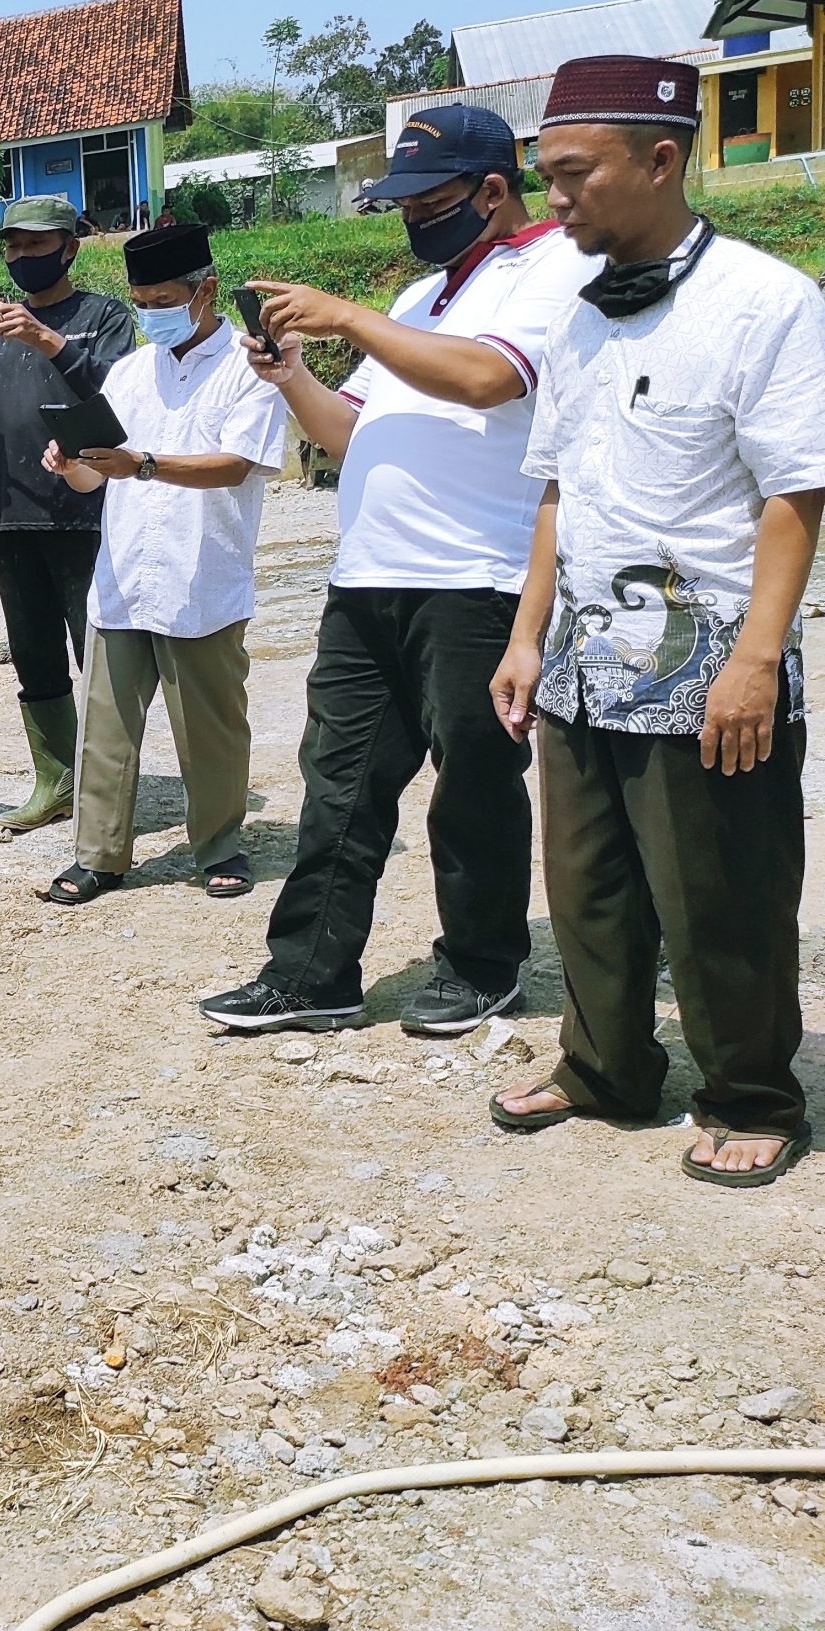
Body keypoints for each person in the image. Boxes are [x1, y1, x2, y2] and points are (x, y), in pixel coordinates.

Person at [490, 55, 825, 1187]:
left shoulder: (765, 302)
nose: (554, 202)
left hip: (705, 662)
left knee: (718, 890)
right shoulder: (576, 318)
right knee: (585, 884)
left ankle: (748, 1092)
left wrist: (755, 661)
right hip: (585, 654)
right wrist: (527, 633)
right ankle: (606, 1066)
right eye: (545, 178)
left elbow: (792, 495)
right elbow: (556, 489)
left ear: (661, 158)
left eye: (574, 175)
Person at [196, 104, 596, 1039]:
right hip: (368, 580)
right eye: (402, 205)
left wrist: (347, 315)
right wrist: (291, 374)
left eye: (430, 200)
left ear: (492, 192)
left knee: (473, 787)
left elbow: (493, 380)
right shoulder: (420, 303)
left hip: (479, 581)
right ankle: (309, 973)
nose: (412, 220)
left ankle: (481, 964)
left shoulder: (554, 270)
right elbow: (345, 429)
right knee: (338, 786)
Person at [35, 223, 284, 906]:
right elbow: (99, 478)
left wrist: (142, 464)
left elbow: (236, 466)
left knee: (209, 729)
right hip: (122, 579)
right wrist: (73, 464)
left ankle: (219, 845)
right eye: (141, 299)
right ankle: (98, 855)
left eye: (164, 298)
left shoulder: (249, 364)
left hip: (200, 577)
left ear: (205, 291)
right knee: (107, 729)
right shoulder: (130, 371)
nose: (152, 313)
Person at [0, 196, 138, 840]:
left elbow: (121, 391)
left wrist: (50, 342)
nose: (21, 258)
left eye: (36, 246)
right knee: (32, 652)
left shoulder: (103, 316)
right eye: (12, 247)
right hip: (10, 512)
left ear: (69, 249)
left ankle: (108, 783)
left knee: (98, 650)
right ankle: (56, 781)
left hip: (86, 510)